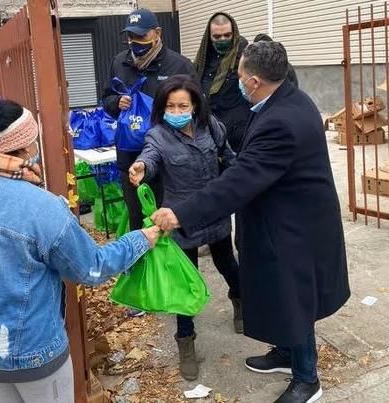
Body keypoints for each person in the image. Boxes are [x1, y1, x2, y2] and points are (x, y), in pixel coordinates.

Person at [0, 88, 161, 403]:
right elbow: (92, 267)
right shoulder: (42, 207)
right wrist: (141, 239)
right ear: (25, 145)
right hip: (32, 351)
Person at [151, 42, 350, 403]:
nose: (237, 80)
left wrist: (181, 212)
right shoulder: (286, 98)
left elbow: (238, 182)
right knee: (283, 293)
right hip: (288, 217)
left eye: (240, 75)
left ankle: (307, 379)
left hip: (294, 227)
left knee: (295, 299)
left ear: (254, 80)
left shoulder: (280, 121)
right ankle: (287, 353)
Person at [128, 75, 241, 380]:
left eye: (183, 106)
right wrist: (142, 167)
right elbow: (149, 158)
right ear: (163, 107)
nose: (176, 111)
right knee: (184, 282)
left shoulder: (211, 127)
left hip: (215, 212)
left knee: (227, 263)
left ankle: (239, 299)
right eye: (170, 106)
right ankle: (186, 340)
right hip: (181, 219)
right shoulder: (157, 136)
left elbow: (229, 159)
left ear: (194, 106)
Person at [101, 8, 195, 234]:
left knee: (169, 221)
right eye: (130, 37)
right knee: (137, 220)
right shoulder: (119, 62)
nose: (135, 42)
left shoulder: (179, 66)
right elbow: (106, 98)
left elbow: (197, 108)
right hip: (130, 160)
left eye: (141, 36)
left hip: (167, 160)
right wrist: (116, 103)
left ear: (157, 33)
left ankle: (171, 267)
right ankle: (143, 266)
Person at [195, 12, 250, 153]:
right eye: (217, 37)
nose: (223, 39)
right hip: (209, 133)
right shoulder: (203, 59)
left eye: (227, 35)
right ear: (209, 36)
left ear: (234, 33)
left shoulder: (246, 58)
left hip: (238, 134)